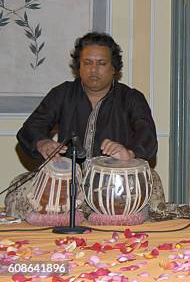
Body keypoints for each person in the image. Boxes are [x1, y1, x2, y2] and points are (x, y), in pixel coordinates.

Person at [5, 32, 165, 218]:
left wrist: (129, 152)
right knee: (16, 192)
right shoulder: (63, 93)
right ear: (78, 67)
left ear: (114, 67)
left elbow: (148, 135)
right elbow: (31, 127)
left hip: (117, 182)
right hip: (69, 179)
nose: (93, 69)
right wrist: (43, 143)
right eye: (87, 63)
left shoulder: (131, 98)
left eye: (101, 63)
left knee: (154, 189)